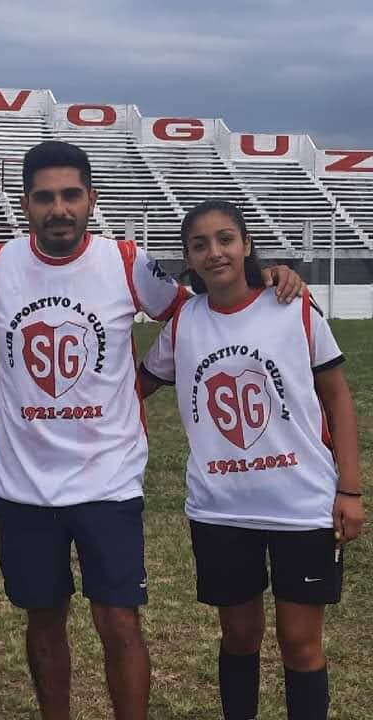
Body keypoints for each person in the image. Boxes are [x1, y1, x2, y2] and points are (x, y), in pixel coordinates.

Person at [0, 141, 303, 720]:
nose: (59, 209)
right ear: (25, 205)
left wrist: (261, 274)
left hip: (109, 479)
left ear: (91, 199)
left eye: (71, 195)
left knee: (118, 620)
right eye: (45, 198)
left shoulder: (125, 261)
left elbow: (195, 309)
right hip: (23, 483)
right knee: (43, 619)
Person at [140, 199, 365, 720]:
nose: (214, 252)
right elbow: (133, 387)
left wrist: (349, 489)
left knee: (299, 642)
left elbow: (337, 398)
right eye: (200, 245)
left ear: (246, 244)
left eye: (225, 239)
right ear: (188, 259)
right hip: (221, 510)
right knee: (238, 637)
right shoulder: (183, 323)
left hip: (302, 505)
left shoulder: (292, 306)